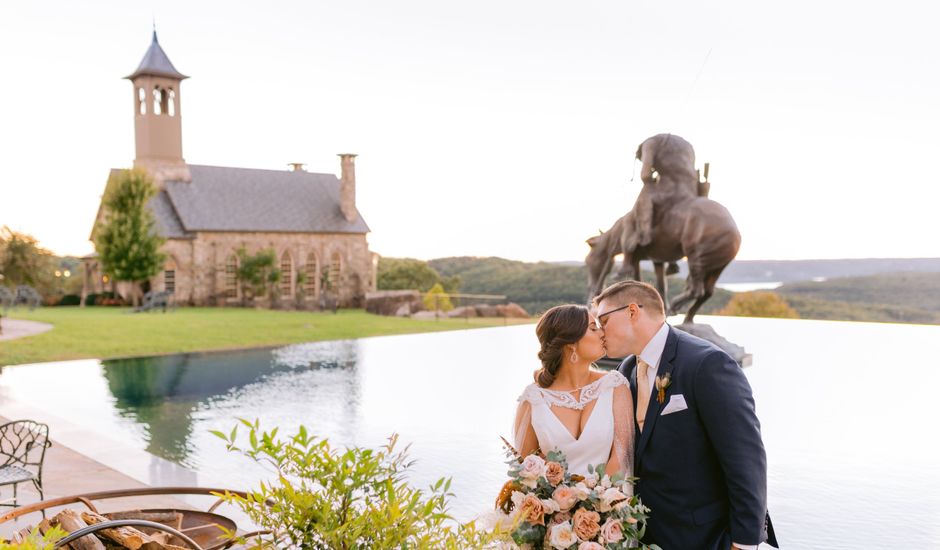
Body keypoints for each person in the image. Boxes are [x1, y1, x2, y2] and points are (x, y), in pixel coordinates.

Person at [594, 280, 778, 549]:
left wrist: (745, 542)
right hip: (642, 535)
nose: (600, 332)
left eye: (604, 320)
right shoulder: (627, 369)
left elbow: (745, 458)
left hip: (702, 537)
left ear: (632, 311)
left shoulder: (707, 364)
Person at [512, 304, 634, 479]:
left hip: (608, 500)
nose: (602, 333)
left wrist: (597, 502)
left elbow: (622, 458)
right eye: (593, 328)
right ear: (571, 345)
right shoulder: (533, 399)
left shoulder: (615, 386)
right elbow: (525, 470)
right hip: (554, 505)